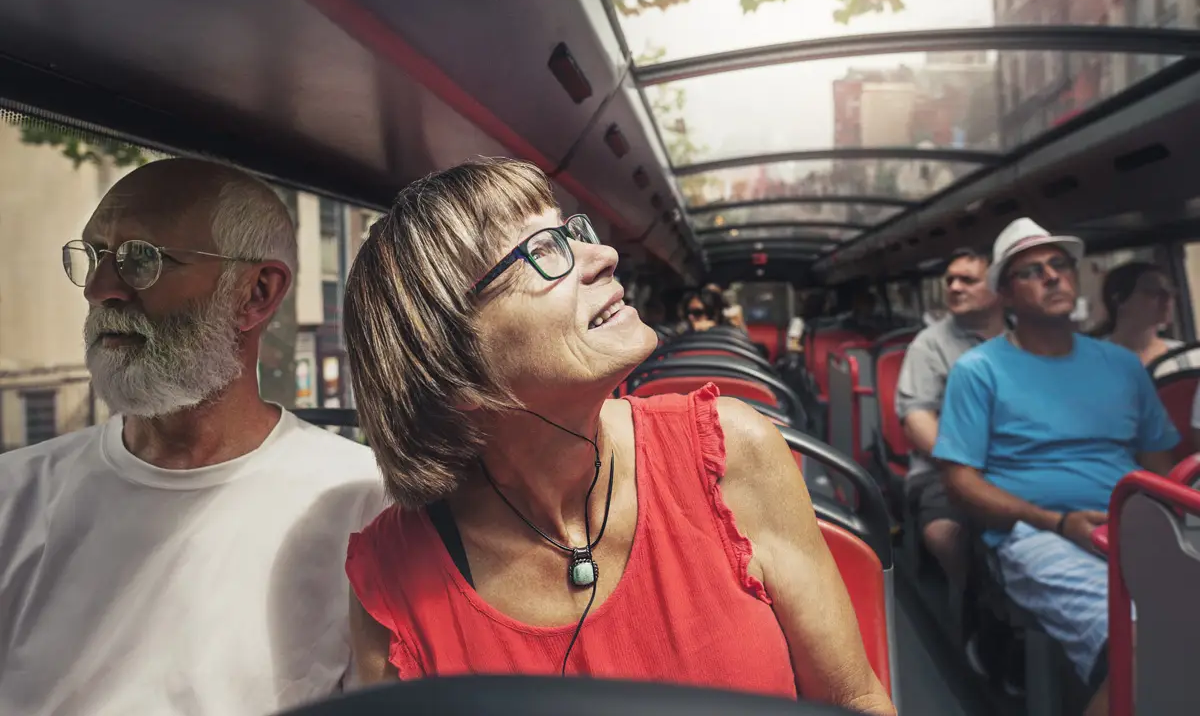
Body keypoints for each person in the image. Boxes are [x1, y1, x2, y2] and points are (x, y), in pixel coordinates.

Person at [340, 159, 894, 715]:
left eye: (570, 232)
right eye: (542, 251)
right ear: (454, 368)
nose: (604, 256)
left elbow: (855, 698)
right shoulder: (392, 580)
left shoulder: (731, 452)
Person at [0, 159, 387, 716]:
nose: (98, 288)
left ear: (256, 292)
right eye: (93, 255)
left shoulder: (363, 505)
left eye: (142, 259)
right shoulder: (14, 496)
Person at [933, 217, 1179, 716]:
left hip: (1129, 525)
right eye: (1032, 271)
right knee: (1143, 644)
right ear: (1004, 293)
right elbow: (960, 483)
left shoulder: (1123, 366)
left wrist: (1166, 529)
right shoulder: (978, 371)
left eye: (1059, 265)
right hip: (1035, 534)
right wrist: (1058, 523)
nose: (1052, 277)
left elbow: (1161, 469)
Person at [896, 248, 1004, 591]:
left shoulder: (1027, 338)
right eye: (950, 280)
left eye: (968, 280)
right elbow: (917, 420)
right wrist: (971, 468)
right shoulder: (929, 345)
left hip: (1020, 462)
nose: (955, 287)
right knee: (946, 534)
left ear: (999, 287)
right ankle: (967, 604)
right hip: (943, 468)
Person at [1094, 261, 1188, 373]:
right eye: (1153, 292)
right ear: (1119, 299)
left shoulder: (1186, 356)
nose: (1167, 298)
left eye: (1170, 291)